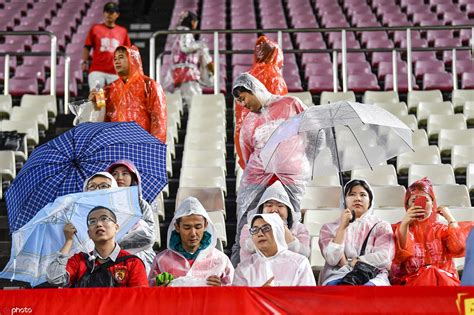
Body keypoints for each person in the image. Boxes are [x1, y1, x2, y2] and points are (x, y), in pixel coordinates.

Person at [231, 72, 308, 266]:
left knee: (289, 222)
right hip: (257, 178)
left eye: (243, 98)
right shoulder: (249, 121)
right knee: (247, 224)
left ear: (253, 89)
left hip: (291, 177)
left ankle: (291, 268)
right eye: (239, 101)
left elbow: (313, 132)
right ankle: (241, 270)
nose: (243, 104)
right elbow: (247, 152)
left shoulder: (292, 104)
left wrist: (299, 159)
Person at [46, 206, 148, 287]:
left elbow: (140, 300)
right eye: (92, 222)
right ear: (89, 233)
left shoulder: (132, 262)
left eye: (104, 219)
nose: (98, 224)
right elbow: (55, 279)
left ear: (116, 227)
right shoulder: (80, 260)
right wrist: (68, 240)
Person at [390, 177, 467, 286]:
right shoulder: (398, 228)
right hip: (412, 284)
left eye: (425, 200)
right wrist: (405, 224)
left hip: (443, 282)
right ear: (407, 206)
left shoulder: (442, 230)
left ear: (433, 205)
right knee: (429, 272)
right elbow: (400, 255)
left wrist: (450, 218)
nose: (420, 204)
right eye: (414, 200)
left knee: (432, 272)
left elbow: (460, 248)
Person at [319, 179, 395, 286]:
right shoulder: (329, 228)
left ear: (370, 201)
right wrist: (342, 228)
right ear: (344, 200)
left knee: (368, 290)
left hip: (373, 275)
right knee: (335, 289)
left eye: (363, 195)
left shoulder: (381, 226)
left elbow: (384, 256)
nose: (358, 199)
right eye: (352, 194)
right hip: (338, 274)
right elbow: (332, 259)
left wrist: (356, 261)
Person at [148, 197, 234, 287]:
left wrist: (221, 289)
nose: (193, 233)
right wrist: (160, 289)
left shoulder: (221, 260)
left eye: (198, 227)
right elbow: (150, 293)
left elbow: (234, 293)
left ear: (205, 225)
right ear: (177, 227)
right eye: (187, 227)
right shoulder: (161, 260)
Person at [89, 45, 167, 143]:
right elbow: (101, 119)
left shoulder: (149, 85)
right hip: (117, 145)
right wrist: (93, 104)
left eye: (121, 57)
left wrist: (155, 146)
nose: (116, 61)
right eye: (115, 59)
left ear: (133, 59)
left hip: (142, 145)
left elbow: (159, 119)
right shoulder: (109, 89)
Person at [234, 35, 288, 169]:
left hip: (249, 142)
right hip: (271, 143)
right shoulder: (276, 79)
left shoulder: (246, 78)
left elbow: (240, 119)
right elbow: (282, 113)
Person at [233, 213, 315, 286]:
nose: (260, 234)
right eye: (255, 230)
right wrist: (260, 295)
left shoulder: (300, 263)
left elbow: (308, 298)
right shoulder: (244, 268)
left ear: (278, 231)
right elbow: (238, 301)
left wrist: (273, 296)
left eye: (266, 228)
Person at [239, 181, 310, 263]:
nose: (274, 210)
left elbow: (304, 254)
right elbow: (249, 247)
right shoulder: (248, 228)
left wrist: (281, 228)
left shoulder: (299, 228)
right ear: (262, 209)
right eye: (269, 205)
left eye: (280, 206)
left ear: (288, 211)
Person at [106, 160, 156, 275]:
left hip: (140, 258)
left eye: (125, 173)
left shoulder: (142, 205)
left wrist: (113, 244)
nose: (119, 177)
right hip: (110, 260)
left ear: (133, 178)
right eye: (114, 174)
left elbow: (149, 237)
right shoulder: (103, 206)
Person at [165, 10, 214, 107]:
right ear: (192, 22)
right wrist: (200, 45)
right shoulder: (185, 32)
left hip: (177, 72)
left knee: (177, 102)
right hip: (187, 72)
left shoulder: (176, 35)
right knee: (196, 103)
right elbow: (185, 47)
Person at [82, 2, 131, 90]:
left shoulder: (123, 31)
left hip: (116, 72)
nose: (109, 14)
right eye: (107, 11)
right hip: (97, 70)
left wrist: (127, 68)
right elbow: (87, 46)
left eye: (112, 12)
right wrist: (84, 61)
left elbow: (127, 51)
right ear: (104, 13)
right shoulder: (95, 28)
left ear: (117, 15)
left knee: (116, 99)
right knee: (97, 97)